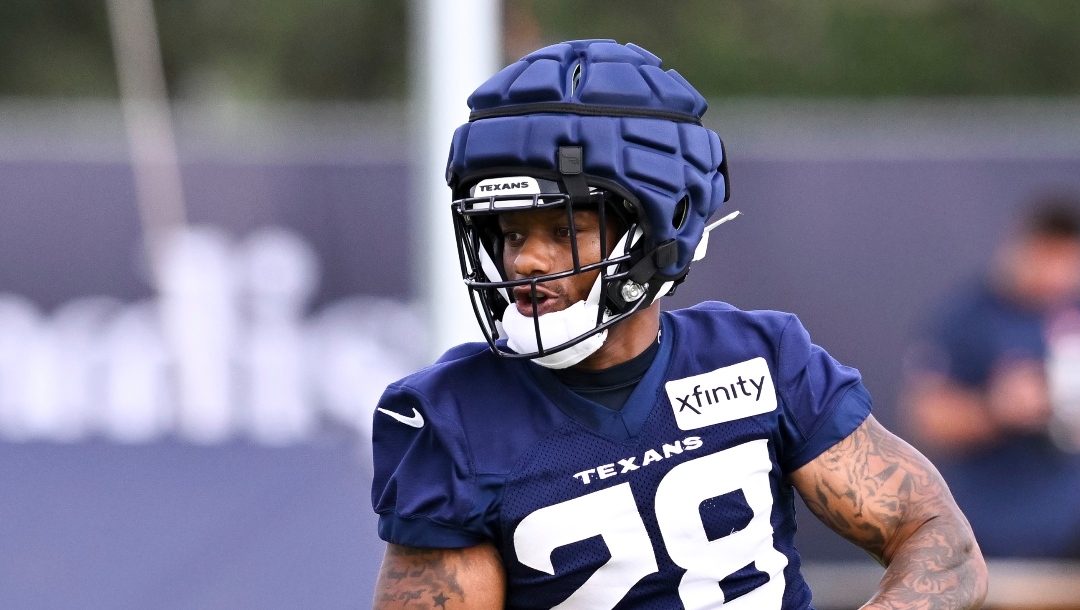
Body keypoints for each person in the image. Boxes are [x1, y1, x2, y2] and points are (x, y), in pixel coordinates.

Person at [372, 39, 986, 609]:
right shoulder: (454, 418)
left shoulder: (758, 360)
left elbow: (939, 542)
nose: (527, 261)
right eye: (511, 234)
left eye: (564, 230)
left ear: (657, 228)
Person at [903, 196, 1080, 558]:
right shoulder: (966, 316)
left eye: (1069, 261)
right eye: (1048, 258)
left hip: (1068, 536)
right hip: (988, 536)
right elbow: (926, 418)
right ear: (1021, 245)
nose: (1057, 274)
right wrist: (996, 408)